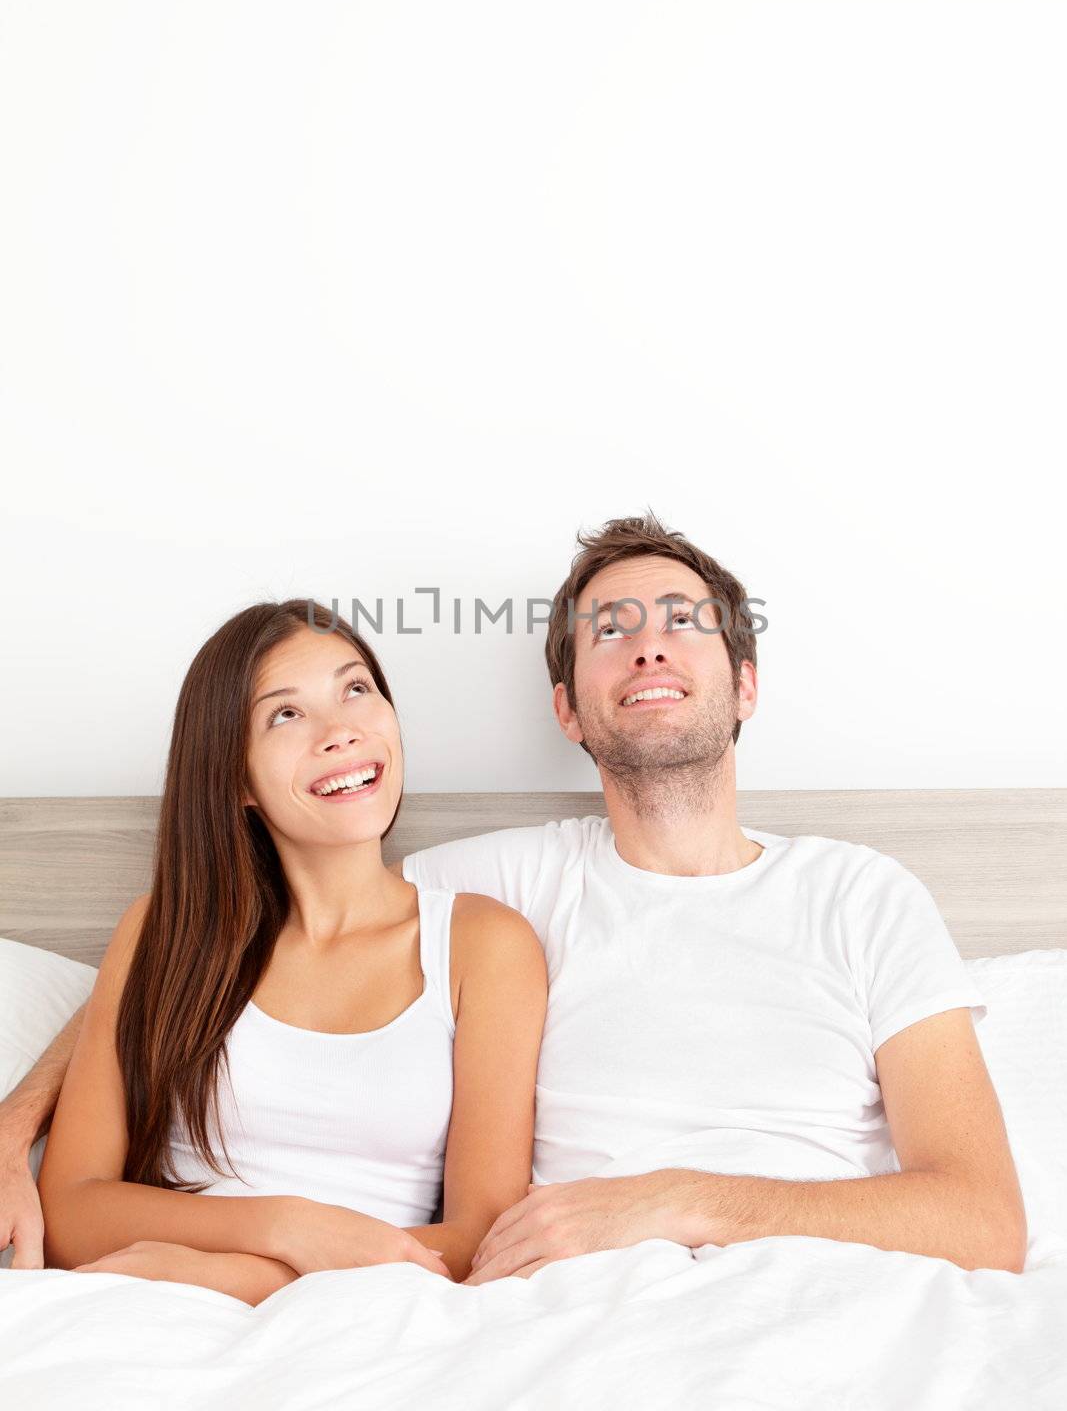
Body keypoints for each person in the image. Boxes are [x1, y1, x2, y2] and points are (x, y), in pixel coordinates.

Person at [1, 513, 1027, 1284]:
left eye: (684, 621)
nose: (650, 644)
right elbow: (236, 941)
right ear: (566, 708)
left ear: (745, 683)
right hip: (576, 1314)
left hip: (825, 1296)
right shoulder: (499, 885)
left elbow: (982, 1219)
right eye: (609, 630)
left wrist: (673, 1201)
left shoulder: (862, 895)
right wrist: (17, 1121)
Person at [3, 600, 547, 1302]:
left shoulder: (483, 945)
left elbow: (481, 1239)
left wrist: (247, 1278)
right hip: (147, 1303)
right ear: (235, 779)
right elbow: (74, 1208)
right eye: (285, 715)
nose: (340, 730)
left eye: (355, 689)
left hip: (367, 1309)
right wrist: (284, 1226)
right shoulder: (163, 935)